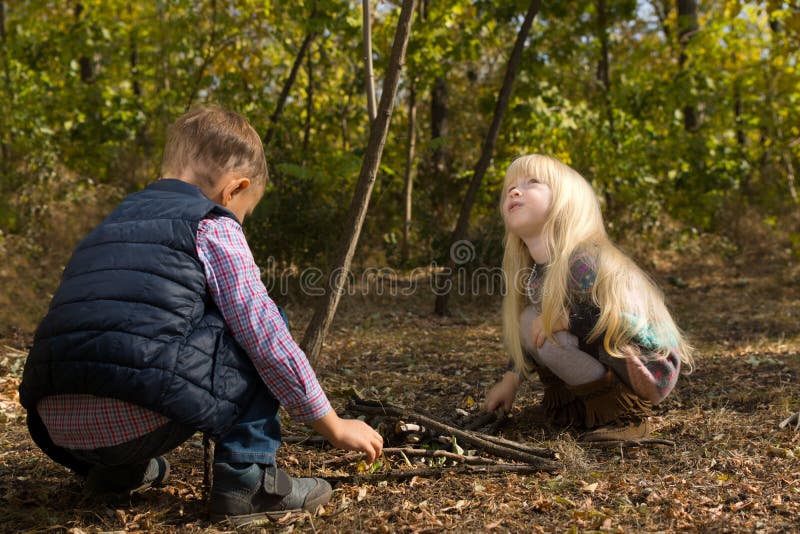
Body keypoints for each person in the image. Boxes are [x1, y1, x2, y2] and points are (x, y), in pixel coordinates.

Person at [19, 106, 383, 526]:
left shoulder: (109, 224)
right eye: (244, 212)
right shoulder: (213, 225)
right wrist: (333, 425)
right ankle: (250, 480)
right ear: (234, 190)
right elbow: (263, 334)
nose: (238, 221)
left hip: (56, 429)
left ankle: (116, 473)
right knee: (262, 318)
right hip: (135, 416)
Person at [484, 154, 693, 442]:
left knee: (545, 323)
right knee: (530, 319)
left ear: (566, 202)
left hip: (648, 364)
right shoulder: (536, 274)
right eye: (510, 187)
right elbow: (530, 333)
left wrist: (565, 320)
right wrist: (511, 379)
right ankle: (580, 407)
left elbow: (627, 325)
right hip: (611, 352)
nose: (515, 191)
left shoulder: (585, 261)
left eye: (532, 182)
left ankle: (625, 416)